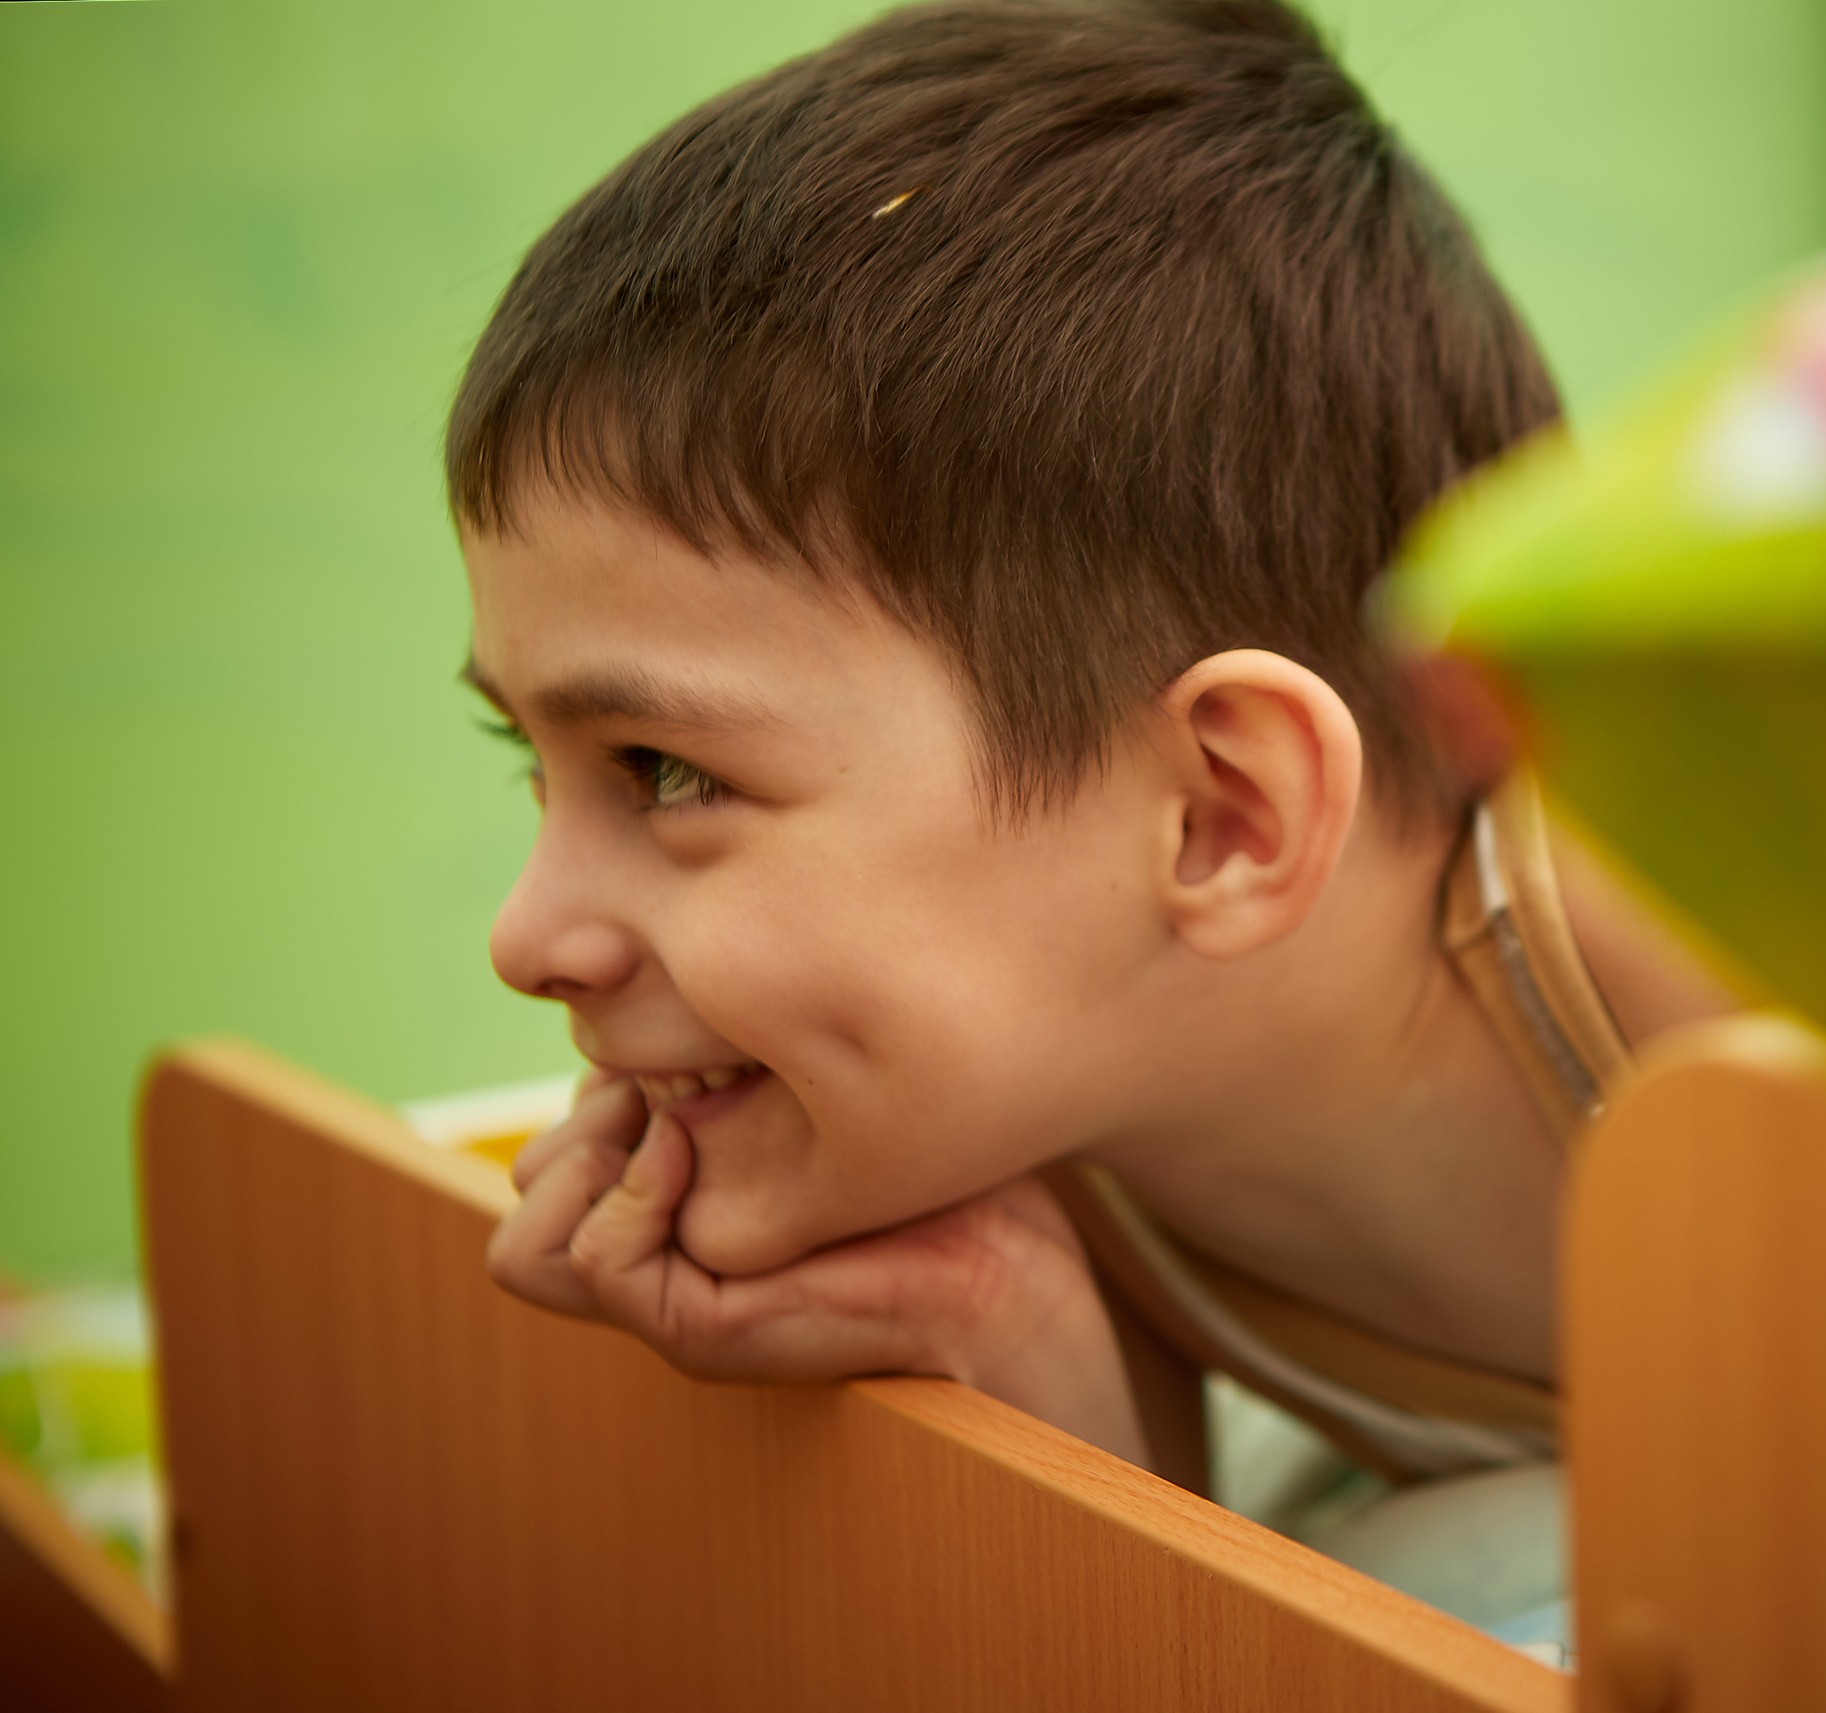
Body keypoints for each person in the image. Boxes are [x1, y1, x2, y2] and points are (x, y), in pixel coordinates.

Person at [457, 0, 1725, 1512]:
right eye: (533, 760)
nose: (526, 938)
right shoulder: (1042, 1133)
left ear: (1219, 813)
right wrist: (1019, 1329)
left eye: (663, 769)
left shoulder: (1682, 943)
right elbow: (1160, 1628)